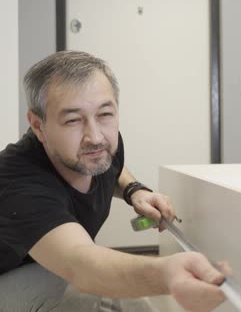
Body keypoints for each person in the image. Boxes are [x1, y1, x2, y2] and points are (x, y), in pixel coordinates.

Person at [0, 51, 226, 311]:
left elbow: (114, 169)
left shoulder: (98, 148)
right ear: (38, 126)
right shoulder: (18, 180)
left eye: (105, 114)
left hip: (42, 268)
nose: (95, 136)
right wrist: (166, 274)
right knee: (86, 294)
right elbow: (80, 264)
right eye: (73, 120)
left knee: (127, 302)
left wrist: (134, 191)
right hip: (9, 278)